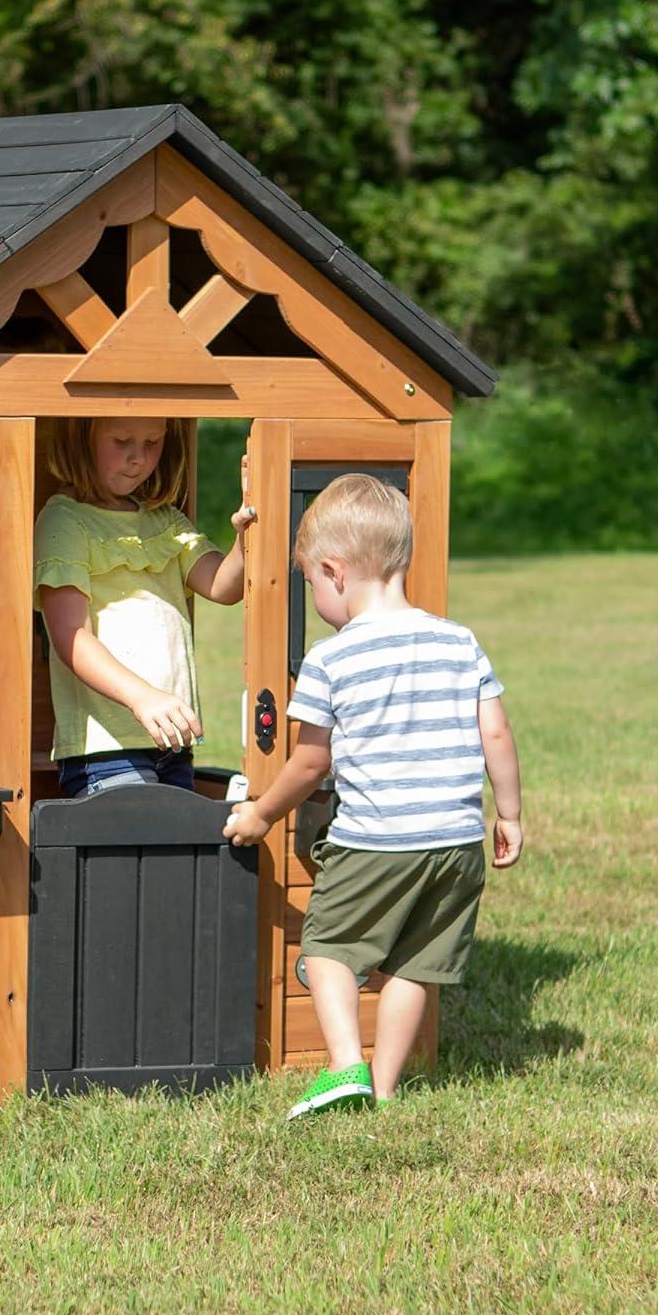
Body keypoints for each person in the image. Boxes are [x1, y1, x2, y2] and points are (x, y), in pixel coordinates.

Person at [224, 473, 524, 1118]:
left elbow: (309, 763)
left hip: (376, 840)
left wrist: (260, 814)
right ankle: (385, 1092)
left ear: (334, 571)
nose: (313, 590)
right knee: (415, 964)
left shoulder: (333, 659)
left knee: (328, 951)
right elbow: (494, 729)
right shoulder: (457, 640)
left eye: (308, 579)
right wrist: (510, 814)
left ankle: (343, 1067)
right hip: (455, 841)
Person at [34, 417, 255, 798]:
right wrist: (143, 698)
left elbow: (222, 585)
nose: (138, 457)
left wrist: (247, 533)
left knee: (167, 855)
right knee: (128, 853)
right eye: (122, 440)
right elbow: (71, 636)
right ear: (80, 440)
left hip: (171, 742)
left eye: (153, 443)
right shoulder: (65, 521)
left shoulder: (164, 520)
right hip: (106, 748)